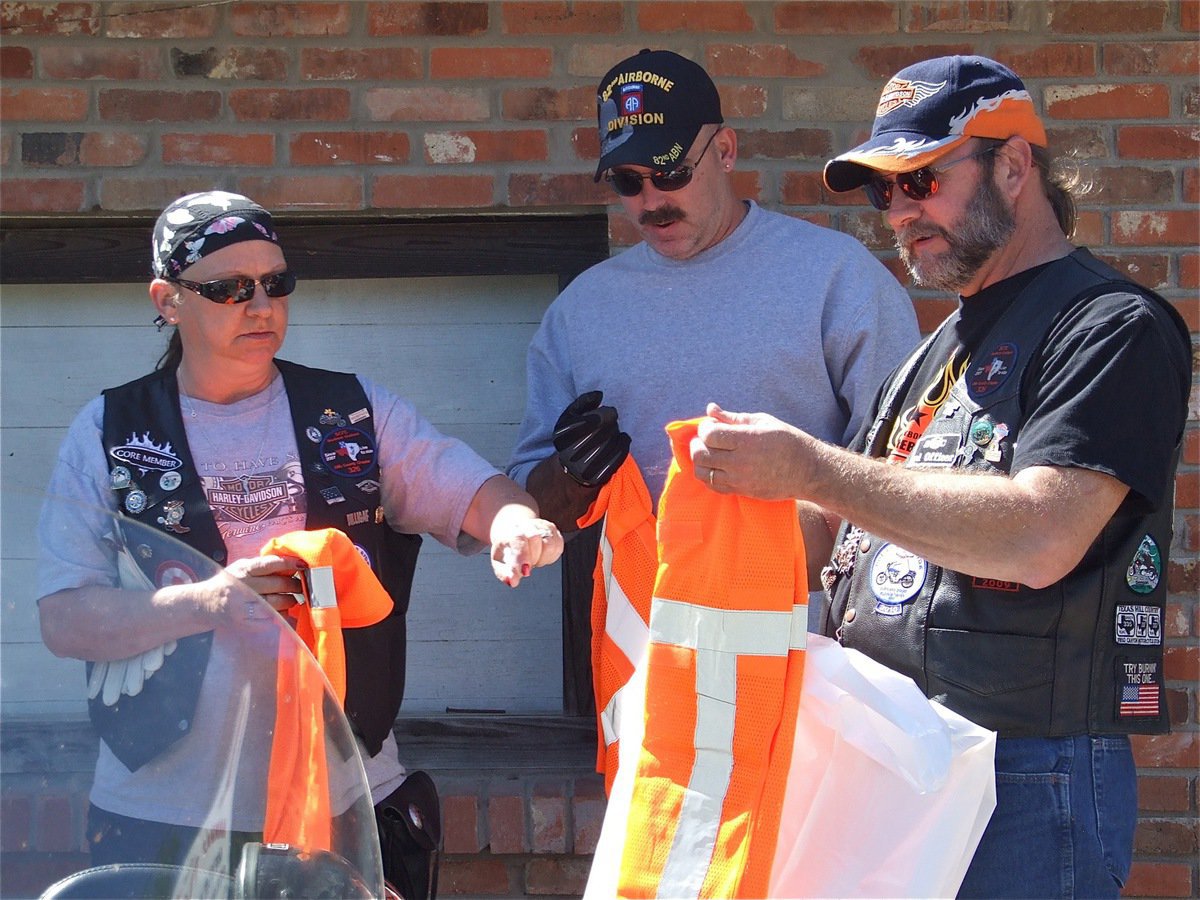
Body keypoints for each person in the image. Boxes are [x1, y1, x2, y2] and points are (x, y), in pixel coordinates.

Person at [690, 55, 1191, 898]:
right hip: (901, 763)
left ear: (1014, 165)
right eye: (883, 192)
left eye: (920, 179)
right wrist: (706, 523)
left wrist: (813, 467)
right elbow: (843, 536)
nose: (899, 212)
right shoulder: (939, 347)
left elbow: (1040, 535)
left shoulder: (1112, 326)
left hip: (1028, 776)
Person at [36, 191, 563, 894]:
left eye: (276, 283)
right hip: (163, 812)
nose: (261, 306)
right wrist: (205, 602)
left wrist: (516, 525)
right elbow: (63, 619)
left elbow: (473, 491)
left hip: (340, 798)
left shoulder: (353, 411)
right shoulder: (110, 429)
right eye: (228, 289)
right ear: (168, 300)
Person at [506, 46, 919, 584]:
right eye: (628, 182)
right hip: (648, 642)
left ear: (724, 150)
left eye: (672, 172)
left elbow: (908, 473)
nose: (651, 201)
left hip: (805, 637)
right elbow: (521, 504)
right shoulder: (580, 313)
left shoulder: (835, 277)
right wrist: (570, 478)